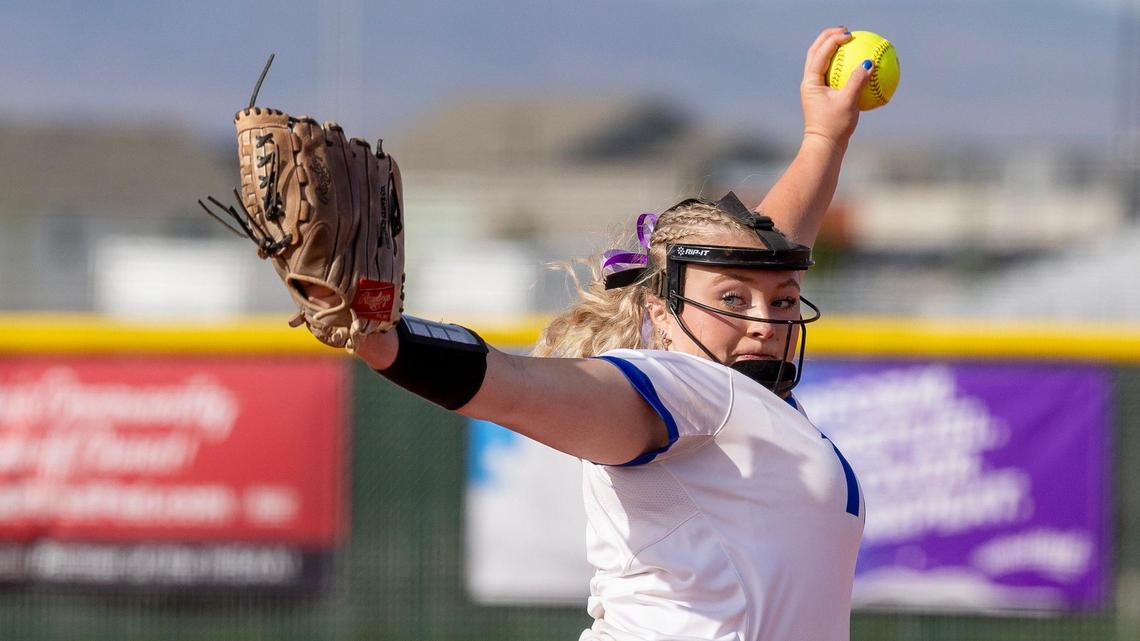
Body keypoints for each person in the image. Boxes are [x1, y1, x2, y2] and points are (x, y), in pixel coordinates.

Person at [343, 26, 870, 641]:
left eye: (781, 301)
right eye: (731, 299)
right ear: (661, 312)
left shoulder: (745, 398)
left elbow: (765, 249)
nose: (763, 320)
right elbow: (514, 388)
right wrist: (391, 345)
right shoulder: (687, 387)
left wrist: (824, 137)